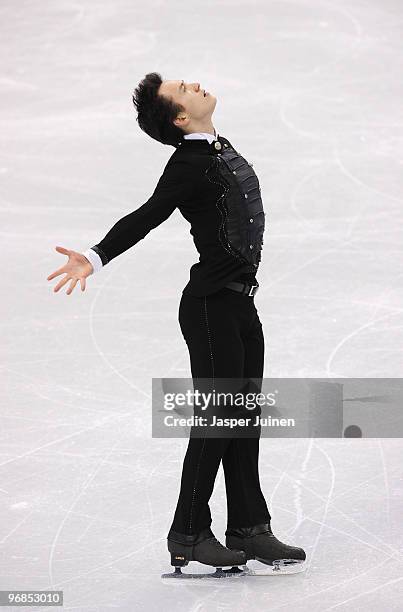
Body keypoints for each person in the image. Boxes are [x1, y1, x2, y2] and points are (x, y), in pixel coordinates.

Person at [47, 72, 306, 574]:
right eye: (183, 90)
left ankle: (250, 528)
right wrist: (96, 258)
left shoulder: (214, 147)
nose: (194, 83)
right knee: (217, 421)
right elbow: (147, 215)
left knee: (243, 420)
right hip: (210, 308)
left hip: (239, 304)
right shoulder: (187, 163)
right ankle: (187, 532)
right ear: (181, 118)